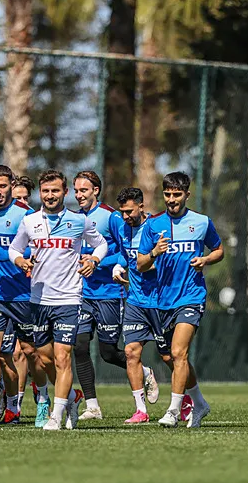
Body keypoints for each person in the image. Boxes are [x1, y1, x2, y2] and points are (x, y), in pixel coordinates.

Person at [8, 169, 107, 430]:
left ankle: (57, 413)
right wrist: (20, 260)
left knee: (63, 357)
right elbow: (14, 248)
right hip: (39, 299)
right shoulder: (29, 222)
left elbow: (101, 245)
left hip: (69, 298)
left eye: (55, 191)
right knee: (44, 358)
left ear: (65, 192)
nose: (50, 196)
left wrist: (94, 260)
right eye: (45, 191)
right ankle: (73, 397)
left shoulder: (79, 221)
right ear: (40, 193)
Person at [137, 172, 224, 428]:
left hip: (191, 296)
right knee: (172, 358)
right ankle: (200, 403)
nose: (172, 199)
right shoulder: (153, 225)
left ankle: (174, 410)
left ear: (187, 194)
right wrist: (154, 252)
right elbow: (141, 264)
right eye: (167, 194)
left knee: (179, 352)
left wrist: (206, 260)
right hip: (163, 301)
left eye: (177, 194)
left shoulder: (201, 222)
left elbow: (219, 250)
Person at [72, 171, 156, 420]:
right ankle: (92, 406)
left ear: (96, 190)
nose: (79, 195)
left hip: (110, 293)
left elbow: (124, 251)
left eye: (83, 190)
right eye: (76, 191)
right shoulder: (74, 220)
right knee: (79, 345)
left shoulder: (112, 217)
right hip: (83, 294)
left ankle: (145, 371)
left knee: (108, 352)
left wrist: (99, 261)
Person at [0, 165, 47, 427]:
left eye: (3, 186)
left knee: (29, 351)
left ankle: (44, 399)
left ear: (12, 185)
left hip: (22, 295)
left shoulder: (26, 215)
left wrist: (12, 258)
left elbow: (37, 256)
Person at [113, 187, 174, 423]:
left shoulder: (157, 227)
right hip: (135, 301)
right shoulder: (122, 227)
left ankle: (188, 398)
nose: (126, 216)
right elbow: (124, 253)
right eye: (123, 212)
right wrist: (118, 266)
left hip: (160, 301)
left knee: (170, 357)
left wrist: (151, 258)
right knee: (130, 353)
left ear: (141, 205)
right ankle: (141, 410)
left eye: (129, 211)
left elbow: (161, 264)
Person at [11, 175, 35, 412]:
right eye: (17, 198)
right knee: (13, 351)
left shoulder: (37, 220)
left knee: (32, 351)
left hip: (33, 294)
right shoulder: (1, 218)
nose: (22, 203)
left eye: (25, 198)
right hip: (4, 294)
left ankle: (43, 393)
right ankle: (14, 405)